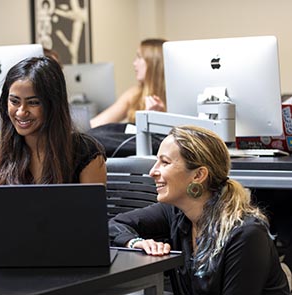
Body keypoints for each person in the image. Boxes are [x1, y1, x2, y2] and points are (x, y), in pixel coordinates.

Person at [108, 125, 290, 294]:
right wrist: (135, 243)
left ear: (198, 175)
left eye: (164, 162)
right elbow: (114, 225)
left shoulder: (246, 234)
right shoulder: (174, 212)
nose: (152, 172)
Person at [0, 56, 107, 234]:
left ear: (52, 105)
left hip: (68, 256)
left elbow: (92, 227)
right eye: (14, 101)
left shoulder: (85, 153)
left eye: (33, 102)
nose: (21, 112)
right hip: (12, 255)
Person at [90, 38, 167, 128]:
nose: (134, 63)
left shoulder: (175, 98)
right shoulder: (134, 94)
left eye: (139, 57)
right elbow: (96, 124)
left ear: (153, 62)